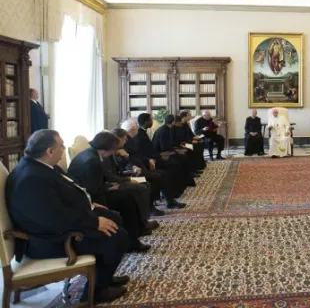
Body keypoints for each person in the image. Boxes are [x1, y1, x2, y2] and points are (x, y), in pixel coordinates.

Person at [6, 130, 130, 303]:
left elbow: (66, 193)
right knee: (116, 237)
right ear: (50, 151)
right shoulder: (31, 178)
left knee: (114, 219)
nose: (64, 148)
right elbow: (52, 218)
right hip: (47, 241)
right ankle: (97, 291)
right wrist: (93, 222)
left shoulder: (40, 167)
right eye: (61, 145)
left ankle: (105, 277)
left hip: (61, 225)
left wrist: (91, 205)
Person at [67, 131, 151, 252]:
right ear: (107, 148)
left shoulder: (92, 154)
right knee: (126, 200)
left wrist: (113, 184)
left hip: (93, 191)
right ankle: (132, 241)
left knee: (127, 198)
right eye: (114, 149)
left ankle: (135, 234)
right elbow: (94, 189)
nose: (114, 152)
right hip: (89, 198)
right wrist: (112, 187)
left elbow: (101, 178)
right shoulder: (92, 161)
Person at [120, 119, 186, 210]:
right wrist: (135, 166)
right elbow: (125, 161)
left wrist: (148, 160)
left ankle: (169, 201)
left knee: (163, 174)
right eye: (136, 128)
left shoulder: (130, 139)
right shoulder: (122, 142)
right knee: (158, 177)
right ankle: (152, 207)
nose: (137, 129)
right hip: (134, 170)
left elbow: (139, 154)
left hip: (142, 165)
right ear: (132, 130)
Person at [136, 113, 194, 194]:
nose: (152, 121)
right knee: (176, 162)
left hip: (156, 155)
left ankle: (184, 185)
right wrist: (168, 153)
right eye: (151, 119)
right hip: (154, 158)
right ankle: (176, 191)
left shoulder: (145, 132)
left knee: (181, 158)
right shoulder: (143, 133)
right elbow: (162, 148)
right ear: (146, 122)